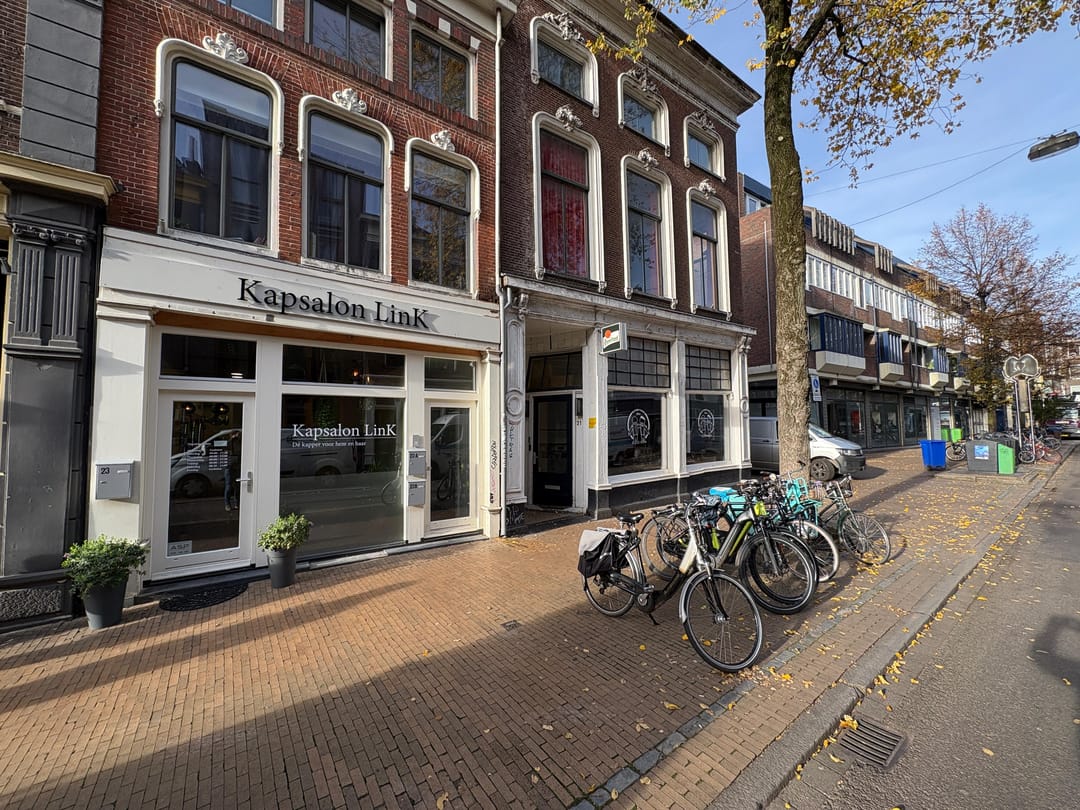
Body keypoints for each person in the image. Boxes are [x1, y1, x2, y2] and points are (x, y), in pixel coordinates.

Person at [223, 431, 240, 511]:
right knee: (229, 486)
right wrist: (232, 439)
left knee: (237, 487)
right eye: (235, 434)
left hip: (237, 466)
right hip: (229, 467)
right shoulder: (229, 443)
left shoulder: (240, 443)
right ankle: (227, 504)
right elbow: (225, 451)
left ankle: (237, 503)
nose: (236, 436)